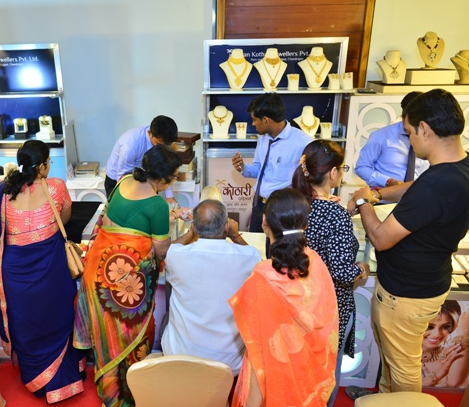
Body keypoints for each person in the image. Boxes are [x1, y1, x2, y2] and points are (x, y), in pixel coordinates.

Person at [349, 89, 469, 395]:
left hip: (406, 293)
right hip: (426, 282)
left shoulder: (437, 185)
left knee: (403, 366)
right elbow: (417, 186)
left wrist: (363, 202)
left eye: (410, 132)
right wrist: (378, 193)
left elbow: (381, 238)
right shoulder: (468, 166)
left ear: (425, 129)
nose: (409, 140)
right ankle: (385, 399)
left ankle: (402, 402)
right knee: (394, 358)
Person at [74, 145, 181, 407]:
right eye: (174, 177)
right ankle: (125, 397)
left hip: (97, 271)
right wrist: (185, 235)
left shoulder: (124, 181)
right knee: (128, 338)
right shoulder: (157, 205)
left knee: (106, 338)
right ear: (163, 178)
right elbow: (161, 250)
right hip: (121, 285)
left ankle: (108, 391)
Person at [0, 139, 85, 403]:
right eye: (48, 162)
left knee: (26, 323)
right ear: (42, 166)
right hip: (50, 266)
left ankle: (36, 379)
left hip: (15, 271)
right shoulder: (55, 186)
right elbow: (64, 217)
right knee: (58, 317)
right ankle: (64, 376)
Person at [229, 188, 339, 407]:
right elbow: (328, 319)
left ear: (264, 222)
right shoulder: (315, 261)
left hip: (276, 375)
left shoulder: (263, 276)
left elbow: (260, 348)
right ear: (305, 225)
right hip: (309, 370)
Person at [292, 139, 369, 407]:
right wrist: (362, 268)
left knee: (300, 370)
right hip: (329, 307)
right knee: (325, 373)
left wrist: (343, 212)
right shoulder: (334, 214)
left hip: (297, 301)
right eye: (343, 168)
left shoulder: (294, 205)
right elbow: (342, 271)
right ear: (333, 173)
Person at [161, 199, 261, 375]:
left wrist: (190, 233)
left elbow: (171, 248)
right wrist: (235, 236)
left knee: (166, 317)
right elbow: (258, 263)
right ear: (226, 226)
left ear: (195, 227)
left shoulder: (176, 255)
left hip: (181, 357)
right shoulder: (249, 256)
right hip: (230, 363)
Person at [231, 93, 312, 232]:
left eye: (254, 120)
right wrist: (243, 168)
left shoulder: (303, 142)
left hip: (283, 209)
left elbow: (317, 173)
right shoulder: (262, 139)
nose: (253, 124)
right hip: (259, 205)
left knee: (278, 245)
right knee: (256, 244)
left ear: (265, 120)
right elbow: (259, 169)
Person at [354, 91, 429, 190]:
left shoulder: (430, 137)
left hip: (418, 196)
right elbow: (361, 167)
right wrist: (387, 181)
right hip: (385, 196)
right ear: (404, 114)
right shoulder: (381, 136)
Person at [104, 115, 178, 202]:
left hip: (145, 179)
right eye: (159, 144)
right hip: (118, 180)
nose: (163, 148)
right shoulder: (131, 144)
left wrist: (169, 197)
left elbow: (166, 169)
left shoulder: (162, 141)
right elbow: (123, 178)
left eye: (167, 145)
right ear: (149, 133)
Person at [421, 301, 469, 388]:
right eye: (429, 327)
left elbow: (456, 384)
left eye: (445, 327)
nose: (436, 334)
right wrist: (439, 372)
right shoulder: (403, 354)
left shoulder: (451, 353)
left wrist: (465, 331)